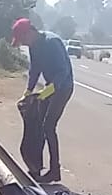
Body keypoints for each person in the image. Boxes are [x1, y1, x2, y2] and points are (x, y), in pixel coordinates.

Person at [11, 18, 74, 183]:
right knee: (37, 124)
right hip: (49, 87)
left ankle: (55, 170)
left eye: (23, 39)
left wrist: (49, 90)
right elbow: (35, 70)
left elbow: (63, 71)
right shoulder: (34, 46)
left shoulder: (52, 42)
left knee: (48, 126)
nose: (23, 43)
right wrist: (28, 91)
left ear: (30, 32)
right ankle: (36, 166)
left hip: (63, 88)